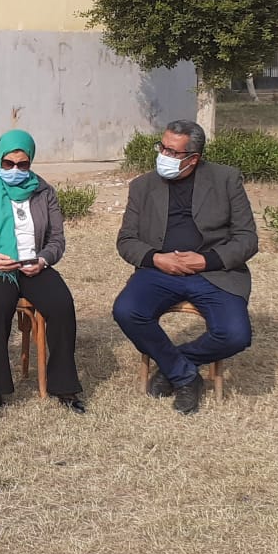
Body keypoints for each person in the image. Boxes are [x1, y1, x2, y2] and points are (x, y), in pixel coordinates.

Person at [112, 119, 258, 415]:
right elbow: (126, 240)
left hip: (214, 273)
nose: (163, 155)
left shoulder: (226, 180)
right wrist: (156, 258)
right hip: (159, 271)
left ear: (193, 158)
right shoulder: (142, 186)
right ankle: (186, 377)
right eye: (162, 147)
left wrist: (206, 260)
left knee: (236, 335)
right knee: (127, 311)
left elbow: (247, 239)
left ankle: (174, 366)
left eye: (172, 152)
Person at [0, 130, 85, 413]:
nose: (15, 170)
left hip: (30, 264)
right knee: (0, 299)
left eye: (22, 164)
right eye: (8, 163)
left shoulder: (43, 191)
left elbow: (57, 239)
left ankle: (64, 385)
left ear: (31, 162)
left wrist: (43, 260)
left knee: (61, 303)